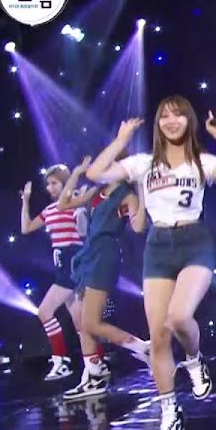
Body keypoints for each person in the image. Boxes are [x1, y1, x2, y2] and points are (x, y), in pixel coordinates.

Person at [86, 97, 216, 430]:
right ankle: (170, 414)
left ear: (189, 121)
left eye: (178, 115)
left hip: (195, 241)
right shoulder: (144, 163)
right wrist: (121, 141)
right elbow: (94, 174)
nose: (171, 121)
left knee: (179, 317)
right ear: (158, 124)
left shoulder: (200, 160)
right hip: (158, 247)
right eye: (164, 116)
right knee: (157, 337)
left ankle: (194, 360)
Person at [56, 155, 151, 400]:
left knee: (91, 323)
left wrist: (141, 188)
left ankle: (142, 347)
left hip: (105, 255)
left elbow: (138, 227)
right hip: (88, 255)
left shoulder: (127, 196)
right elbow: (63, 205)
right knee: (82, 322)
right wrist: (76, 174)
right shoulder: (96, 192)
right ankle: (93, 375)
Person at [20, 164, 92, 381]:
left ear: (64, 183)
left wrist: (80, 205)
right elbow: (26, 228)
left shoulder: (74, 205)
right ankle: (96, 363)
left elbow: (83, 232)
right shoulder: (49, 210)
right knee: (80, 323)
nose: (50, 187)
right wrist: (25, 201)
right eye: (48, 184)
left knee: (44, 312)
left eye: (54, 183)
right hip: (63, 268)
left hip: (73, 266)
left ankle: (61, 361)